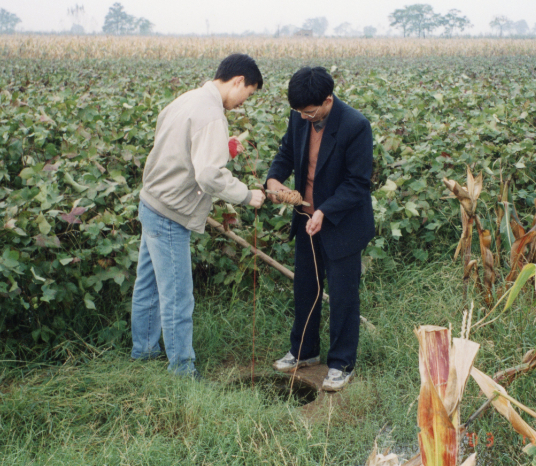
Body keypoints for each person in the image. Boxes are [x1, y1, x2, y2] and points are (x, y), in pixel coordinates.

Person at [131, 53, 266, 378]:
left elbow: (177, 146)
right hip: (170, 215)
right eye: (246, 95)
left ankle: (144, 353)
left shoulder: (186, 100)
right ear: (238, 82)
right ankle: (183, 372)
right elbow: (208, 176)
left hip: (151, 203)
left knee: (147, 287)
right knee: (178, 297)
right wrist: (248, 196)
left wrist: (223, 147)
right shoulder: (211, 116)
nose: (241, 103)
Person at [265, 66, 375, 392]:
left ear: (327, 100)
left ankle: (341, 363)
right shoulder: (300, 118)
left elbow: (358, 184)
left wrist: (325, 210)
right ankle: (304, 351)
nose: (303, 118)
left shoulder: (355, 126)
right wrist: (273, 179)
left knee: (342, 296)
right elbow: (286, 153)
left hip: (342, 223)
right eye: (298, 112)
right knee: (305, 289)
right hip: (305, 219)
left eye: (310, 112)